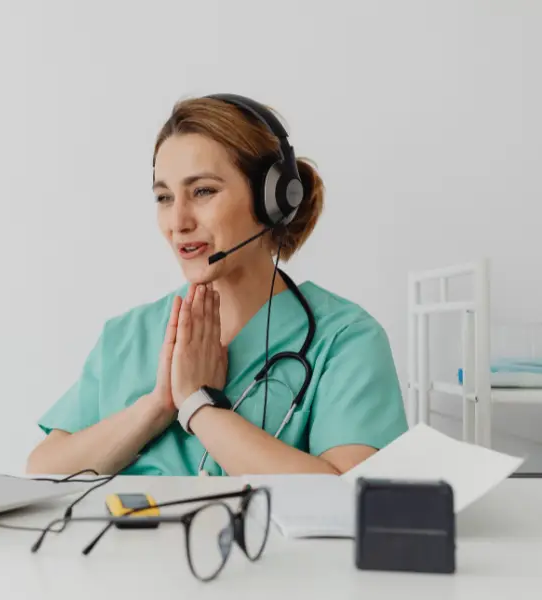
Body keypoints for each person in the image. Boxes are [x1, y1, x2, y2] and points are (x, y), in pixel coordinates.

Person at [26, 93, 408, 477]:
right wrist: (158, 405)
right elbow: (42, 471)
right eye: (164, 197)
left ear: (271, 201)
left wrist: (198, 406)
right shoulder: (127, 336)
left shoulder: (344, 339)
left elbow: (351, 501)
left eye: (203, 191)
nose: (178, 221)